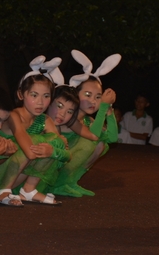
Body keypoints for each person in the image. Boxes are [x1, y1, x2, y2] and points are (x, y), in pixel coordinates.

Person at [0, 56, 69, 206]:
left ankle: (28, 190)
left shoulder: (45, 120)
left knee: (53, 143)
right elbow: (29, 152)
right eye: (34, 95)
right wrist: (52, 148)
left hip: (19, 178)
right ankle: (2, 191)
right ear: (21, 94)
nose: (40, 102)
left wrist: (53, 151)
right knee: (40, 141)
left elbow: (67, 154)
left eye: (46, 96)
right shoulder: (14, 115)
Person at [50, 50, 120, 197]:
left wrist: (109, 111)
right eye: (87, 95)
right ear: (76, 94)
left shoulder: (88, 121)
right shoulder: (69, 118)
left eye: (98, 97)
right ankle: (58, 184)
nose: (93, 101)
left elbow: (113, 139)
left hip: (61, 161)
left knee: (102, 145)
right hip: (49, 162)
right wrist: (102, 108)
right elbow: (93, 136)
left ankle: (71, 182)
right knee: (89, 143)